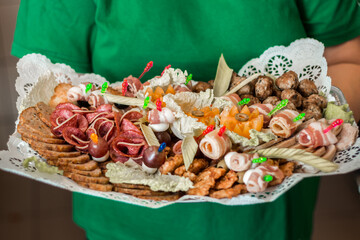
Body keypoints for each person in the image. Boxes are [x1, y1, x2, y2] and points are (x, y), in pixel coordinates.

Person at [11, 1, 360, 239]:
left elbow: (349, 59)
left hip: (269, 222)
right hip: (125, 226)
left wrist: (301, 126)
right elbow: (48, 92)